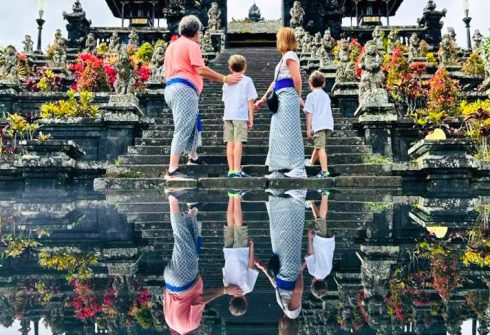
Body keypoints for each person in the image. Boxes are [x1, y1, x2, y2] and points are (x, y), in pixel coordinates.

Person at [164, 15, 242, 181]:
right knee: (183, 126)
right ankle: (172, 170)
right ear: (195, 31)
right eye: (200, 31)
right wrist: (225, 78)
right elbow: (201, 70)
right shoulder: (191, 45)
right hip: (184, 88)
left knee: (193, 122)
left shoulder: (172, 46)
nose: (201, 34)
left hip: (172, 88)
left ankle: (193, 156)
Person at [163, 194, 243, 334]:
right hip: (172, 282)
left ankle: (173, 198)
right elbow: (166, 296)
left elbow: (199, 300)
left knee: (182, 238)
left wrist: (225, 291)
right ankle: (192, 211)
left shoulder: (190, 325)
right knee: (192, 246)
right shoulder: (172, 323)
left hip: (184, 281)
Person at [255, 27, 306, 179]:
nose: (276, 41)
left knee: (291, 131)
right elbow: (275, 81)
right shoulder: (284, 57)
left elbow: (297, 79)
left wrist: (298, 96)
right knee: (277, 132)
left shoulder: (291, 55)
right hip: (279, 94)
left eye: (278, 38)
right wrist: (263, 99)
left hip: (289, 95)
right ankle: (277, 168)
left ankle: (298, 167)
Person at [255, 189, 305, 329]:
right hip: (289, 273)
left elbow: (277, 286)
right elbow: (299, 290)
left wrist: (264, 268)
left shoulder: (286, 310)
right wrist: (299, 271)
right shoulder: (292, 313)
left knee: (282, 235)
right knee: (286, 234)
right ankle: (289, 200)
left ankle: (281, 200)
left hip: (283, 272)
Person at [222, 191, 259, 316]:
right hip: (228, 252)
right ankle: (231, 197)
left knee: (239, 225)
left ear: (246, 302)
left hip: (241, 251)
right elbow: (224, 268)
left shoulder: (248, 288)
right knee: (230, 225)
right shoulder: (227, 287)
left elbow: (251, 267)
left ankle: (236, 196)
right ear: (231, 301)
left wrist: (251, 248)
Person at [222, 55, 258, 178]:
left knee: (229, 142)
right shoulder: (247, 80)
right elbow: (250, 101)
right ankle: (237, 169)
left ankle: (231, 169)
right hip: (240, 116)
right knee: (239, 142)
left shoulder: (226, 82)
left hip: (228, 116)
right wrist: (251, 118)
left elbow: (225, 99)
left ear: (230, 68)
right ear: (245, 67)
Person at [304, 190, 335, 300]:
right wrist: (309, 238)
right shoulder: (313, 271)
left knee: (319, 221)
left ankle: (311, 203)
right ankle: (325, 194)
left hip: (329, 242)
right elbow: (310, 254)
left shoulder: (328, 271)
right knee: (322, 219)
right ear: (313, 283)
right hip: (320, 243)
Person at [303, 71, 334, 178]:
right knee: (319, 145)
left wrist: (308, 128)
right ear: (324, 83)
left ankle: (325, 171)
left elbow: (309, 113)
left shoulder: (311, 96)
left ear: (310, 83)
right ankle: (311, 161)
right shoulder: (326, 96)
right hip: (328, 124)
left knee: (320, 147)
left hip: (318, 125)